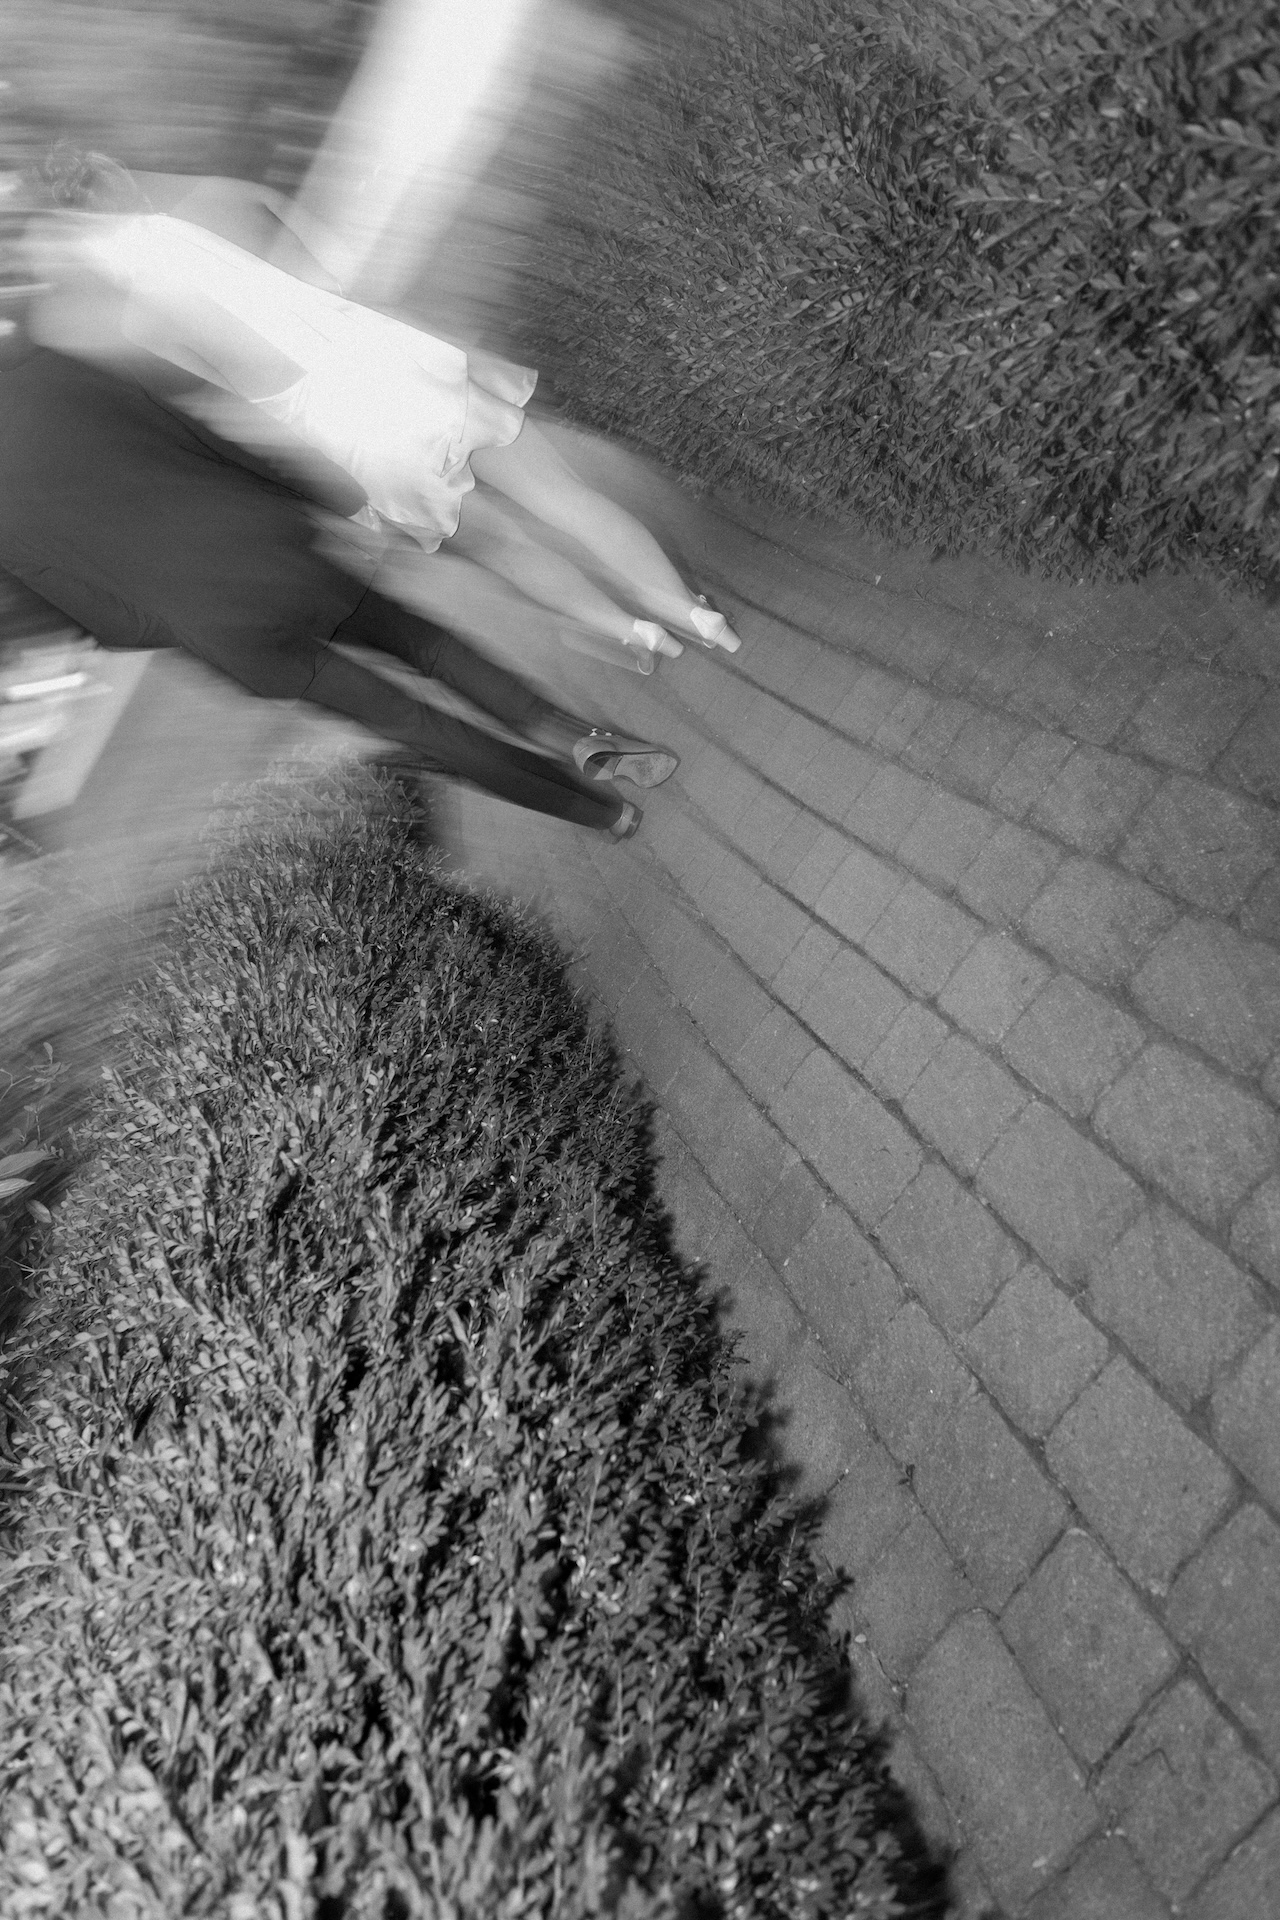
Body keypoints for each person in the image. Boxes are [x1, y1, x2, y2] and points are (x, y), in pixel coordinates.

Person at [20, 148, 743, 676]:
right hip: (401, 372)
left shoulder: (145, 324)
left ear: (83, 229)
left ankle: (634, 634)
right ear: (109, 165)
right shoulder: (226, 195)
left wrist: (340, 496)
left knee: (505, 548)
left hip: (350, 435)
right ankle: (693, 613)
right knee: (562, 496)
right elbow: (352, 283)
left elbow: (243, 407)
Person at [0, 312, 679, 842]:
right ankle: (579, 740)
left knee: (409, 722)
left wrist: (176, 617)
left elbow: (100, 622)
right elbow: (200, 434)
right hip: (273, 550)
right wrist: (314, 502)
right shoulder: (45, 372)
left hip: (223, 631)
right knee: (424, 645)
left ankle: (601, 815)